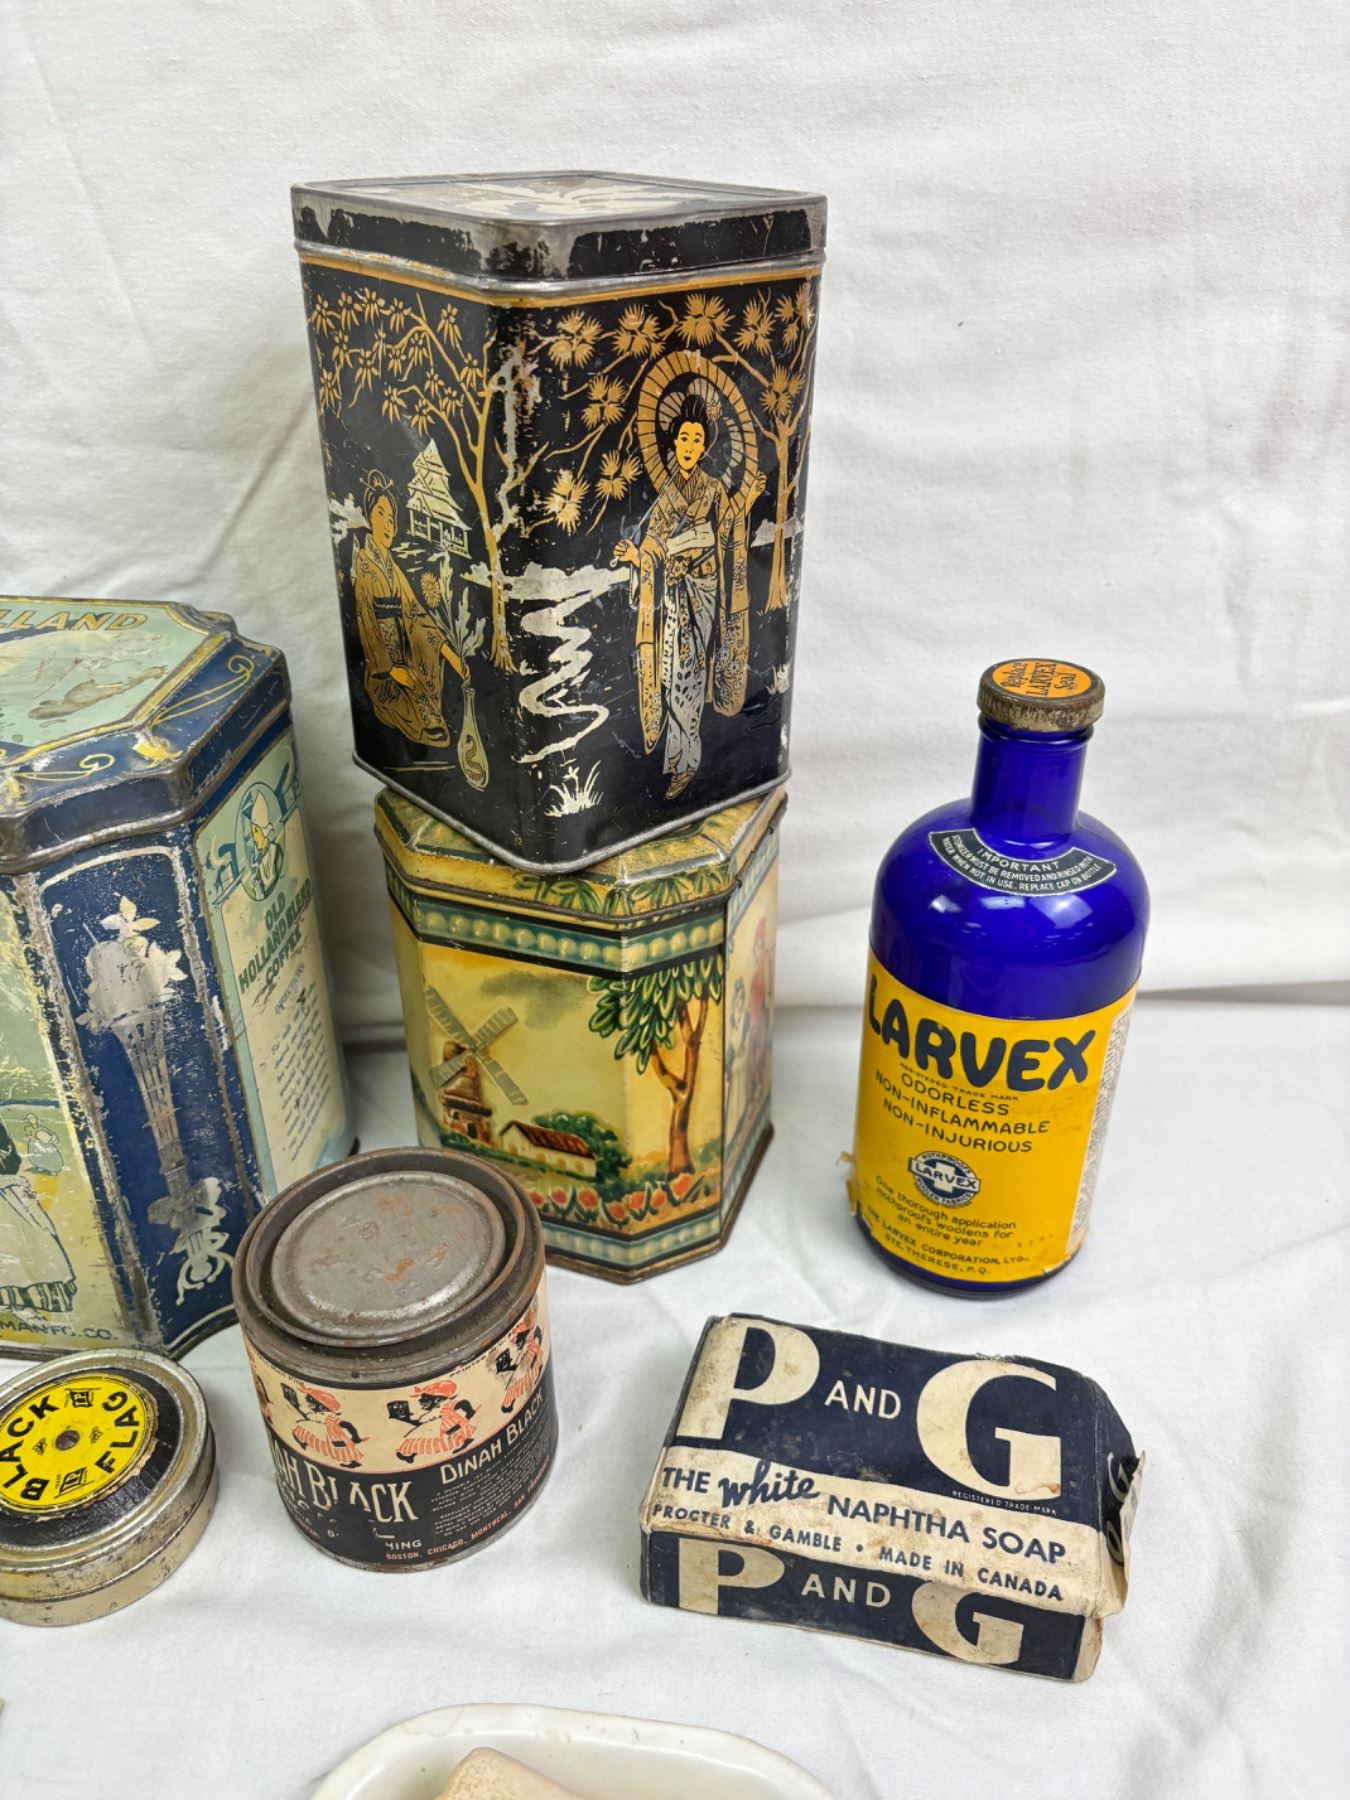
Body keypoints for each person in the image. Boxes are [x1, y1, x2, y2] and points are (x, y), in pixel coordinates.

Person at [613, 396, 764, 798]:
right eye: (684, 438)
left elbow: (728, 528)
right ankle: (676, 760)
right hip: (674, 593)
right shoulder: (666, 498)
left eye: (697, 439)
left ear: (704, 446)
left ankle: (688, 763)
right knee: (671, 675)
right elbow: (653, 547)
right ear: (674, 443)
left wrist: (747, 501)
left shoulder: (712, 489)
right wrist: (636, 556)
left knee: (690, 676)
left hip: (703, 592)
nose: (690, 446)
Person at [351, 471, 464, 746]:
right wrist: (390, 669)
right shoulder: (365, 566)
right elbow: (366, 622)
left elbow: (415, 612)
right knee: (403, 705)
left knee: (420, 676)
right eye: (380, 514)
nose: (388, 524)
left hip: (407, 657)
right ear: (369, 518)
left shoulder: (393, 568)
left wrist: (450, 654)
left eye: (391, 518)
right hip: (384, 670)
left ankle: (423, 712)